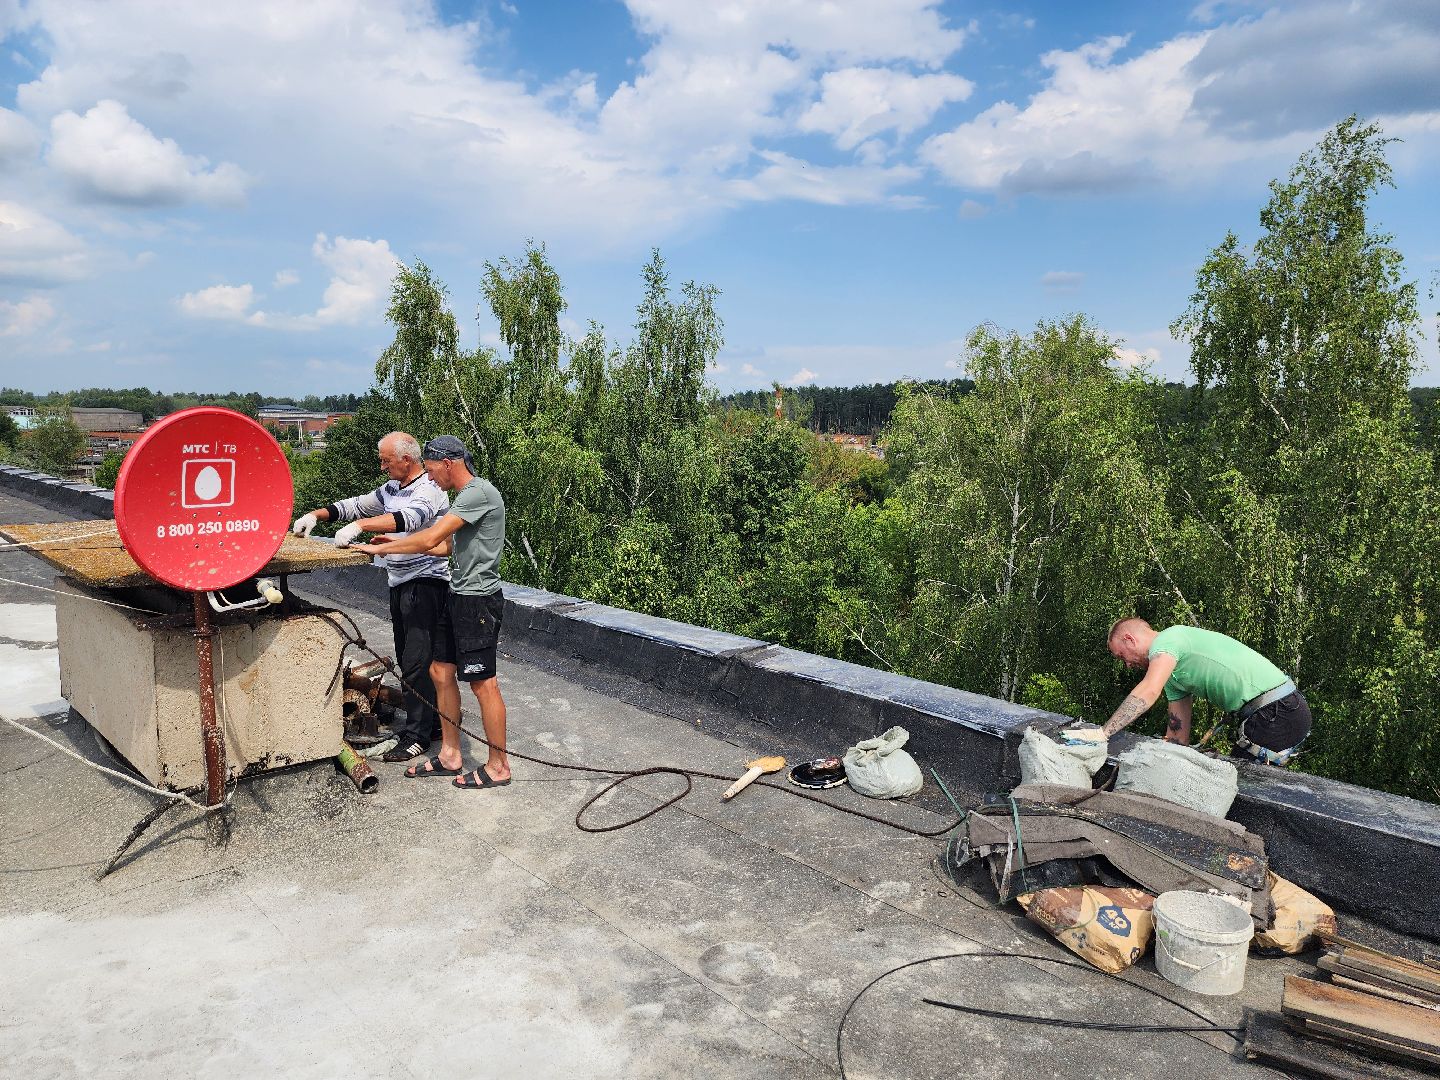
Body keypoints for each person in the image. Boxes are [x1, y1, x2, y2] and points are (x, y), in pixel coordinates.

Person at [351, 435, 510, 791]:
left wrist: (368, 537)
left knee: (483, 683)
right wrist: (393, 544)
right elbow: (442, 547)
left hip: (478, 601)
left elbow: (427, 539)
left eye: (433, 469)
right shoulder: (464, 499)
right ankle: (451, 754)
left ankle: (499, 765)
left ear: (449, 463)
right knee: (440, 671)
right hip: (457, 595)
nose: (431, 477)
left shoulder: (478, 493)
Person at [292, 432, 451, 763]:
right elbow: (356, 504)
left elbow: (410, 518)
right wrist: (315, 516)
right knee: (410, 657)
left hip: (426, 584)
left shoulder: (429, 488)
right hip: (400, 581)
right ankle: (431, 723)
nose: (382, 466)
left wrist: (360, 527)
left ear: (406, 459)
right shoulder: (392, 488)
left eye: (386, 460)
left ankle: (417, 736)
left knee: (416, 662)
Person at [1102, 618, 1312, 765]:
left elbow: (1148, 690)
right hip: (1275, 714)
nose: (1127, 665)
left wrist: (1103, 734)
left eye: (1122, 656)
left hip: (1278, 712)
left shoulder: (1167, 640)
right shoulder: (1173, 679)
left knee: (1237, 791)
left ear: (1130, 639)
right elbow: (1177, 738)